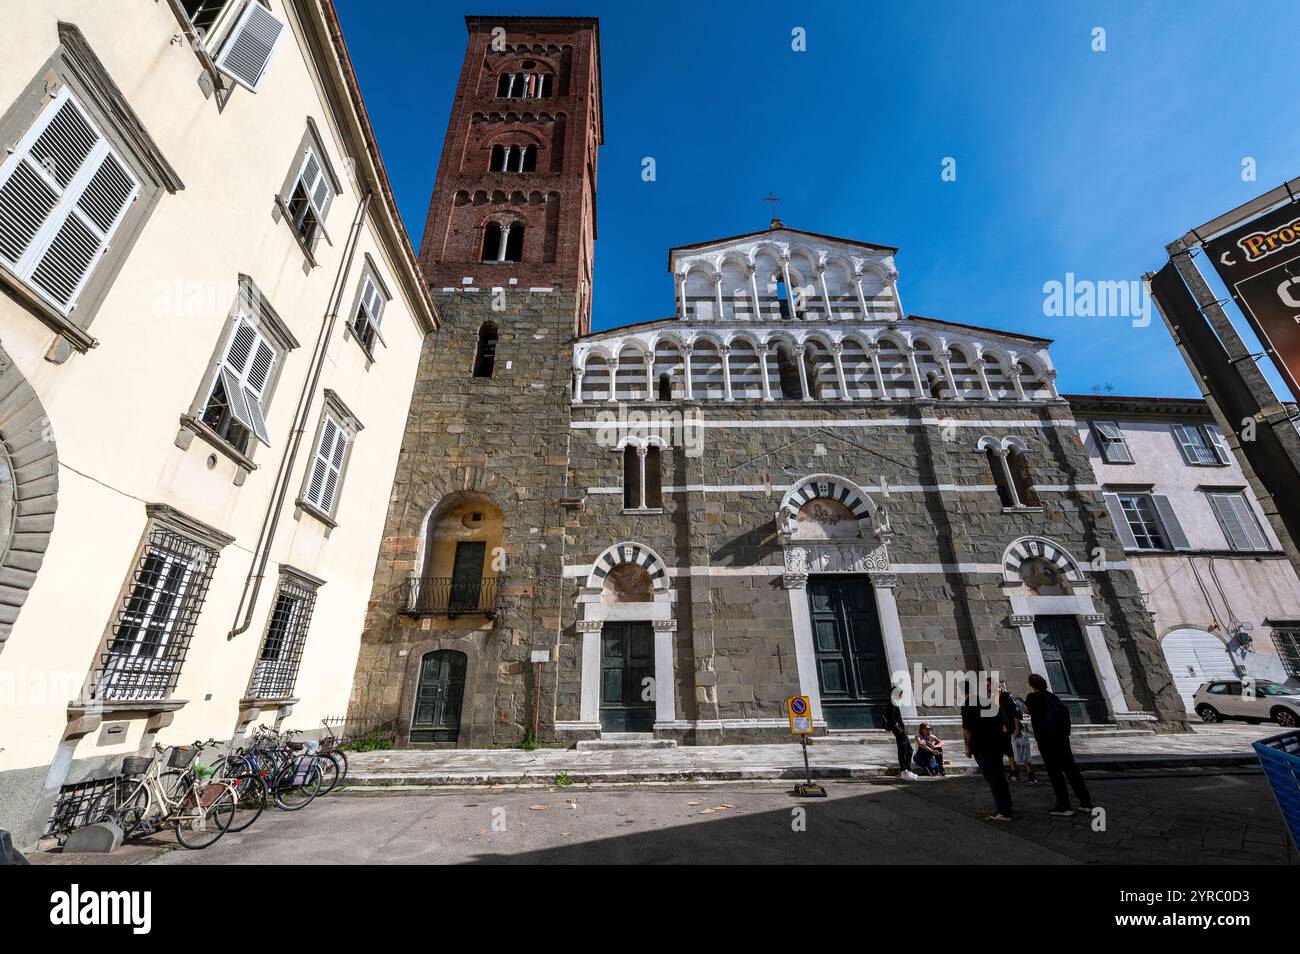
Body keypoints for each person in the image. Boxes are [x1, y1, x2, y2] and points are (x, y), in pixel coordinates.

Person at [1024, 673, 1092, 816]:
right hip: (1061, 738)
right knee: (1072, 771)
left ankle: (1064, 805)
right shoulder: (1053, 697)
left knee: (1054, 772)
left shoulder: (1033, 697)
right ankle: (1086, 803)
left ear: (1032, 685)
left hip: (1047, 739)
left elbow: (1026, 710)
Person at [962, 684, 1013, 820]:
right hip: (996, 745)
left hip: (982, 747)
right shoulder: (988, 703)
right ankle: (1006, 807)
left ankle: (1003, 811)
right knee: (999, 777)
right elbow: (1001, 722)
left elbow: (967, 730)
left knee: (993, 778)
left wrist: (967, 747)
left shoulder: (968, 705)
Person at [883, 697, 917, 780]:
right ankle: (903, 771)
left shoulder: (894, 703)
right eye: (900, 694)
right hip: (899, 732)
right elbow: (891, 719)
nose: (901, 696)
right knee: (902, 751)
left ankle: (908, 770)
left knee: (909, 750)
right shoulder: (891, 704)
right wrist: (899, 728)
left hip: (901, 731)